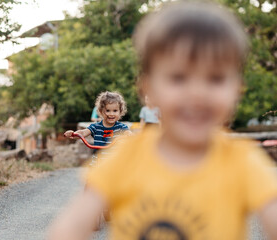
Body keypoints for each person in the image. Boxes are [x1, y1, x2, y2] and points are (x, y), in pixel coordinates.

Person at [48, 2, 277, 240]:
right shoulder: (125, 158)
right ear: (149, 89)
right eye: (178, 78)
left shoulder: (242, 162)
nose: (196, 94)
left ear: (238, 89)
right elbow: (68, 229)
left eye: (216, 79)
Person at [65, 91, 132, 162]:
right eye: (108, 110)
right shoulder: (96, 127)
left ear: (120, 111)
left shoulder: (121, 127)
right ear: (101, 111)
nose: (111, 114)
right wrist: (73, 134)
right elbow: (83, 133)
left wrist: (129, 134)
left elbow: (128, 133)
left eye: (115, 111)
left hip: (114, 164)